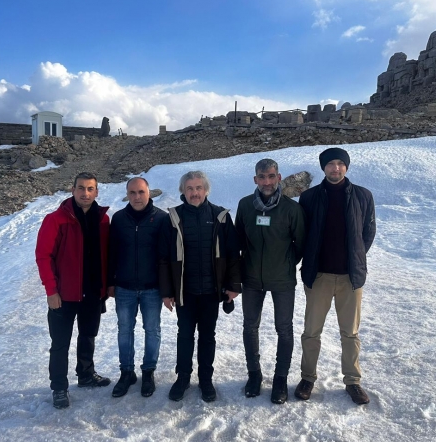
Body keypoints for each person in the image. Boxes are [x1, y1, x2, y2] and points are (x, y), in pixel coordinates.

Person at [295, 148, 376, 405]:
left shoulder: (363, 196)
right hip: (318, 276)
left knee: (350, 333)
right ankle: (307, 377)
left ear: (347, 167)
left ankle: (353, 381)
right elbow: (302, 233)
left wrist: (356, 257)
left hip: (350, 277)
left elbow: (368, 232)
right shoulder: (308, 197)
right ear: (323, 168)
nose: (336, 168)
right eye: (331, 164)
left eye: (341, 163)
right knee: (311, 332)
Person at [159, 171, 242, 402]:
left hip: (210, 292)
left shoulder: (220, 217)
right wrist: (167, 292)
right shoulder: (173, 218)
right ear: (183, 191)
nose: (194, 193)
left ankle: (206, 379)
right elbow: (164, 258)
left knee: (207, 336)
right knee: (184, 335)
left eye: (198, 188)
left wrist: (232, 286)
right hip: (185, 292)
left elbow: (233, 254)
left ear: (206, 190)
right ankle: (183, 377)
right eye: (190, 188)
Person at [35, 172, 112, 409]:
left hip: (92, 292)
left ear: (97, 192)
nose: (85, 193)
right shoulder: (56, 219)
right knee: (60, 343)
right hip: (64, 295)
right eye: (81, 188)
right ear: (73, 190)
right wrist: (51, 290)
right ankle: (59, 386)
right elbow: (43, 256)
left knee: (88, 335)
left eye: (90, 189)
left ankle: (86, 374)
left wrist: (106, 286)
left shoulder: (103, 220)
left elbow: (106, 256)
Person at [235, 159, 306, 404]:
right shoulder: (245, 205)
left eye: (271, 176)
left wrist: (285, 264)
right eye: (262, 177)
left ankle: (280, 378)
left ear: (279, 177)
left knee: (284, 330)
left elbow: (300, 245)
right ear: (255, 179)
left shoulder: (291, 209)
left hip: (282, 280)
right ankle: (254, 374)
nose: (267, 182)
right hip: (252, 278)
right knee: (250, 326)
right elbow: (239, 241)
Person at [108, 177, 168, 398]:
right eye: (132, 193)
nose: (137, 197)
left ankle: (148, 372)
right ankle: (126, 372)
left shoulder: (161, 218)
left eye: (141, 192)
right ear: (127, 194)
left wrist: (167, 288)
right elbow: (111, 253)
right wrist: (110, 282)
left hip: (152, 288)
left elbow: (166, 256)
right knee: (125, 330)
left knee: (152, 330)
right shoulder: (119, 219)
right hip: (124, 287)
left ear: (148, 193)